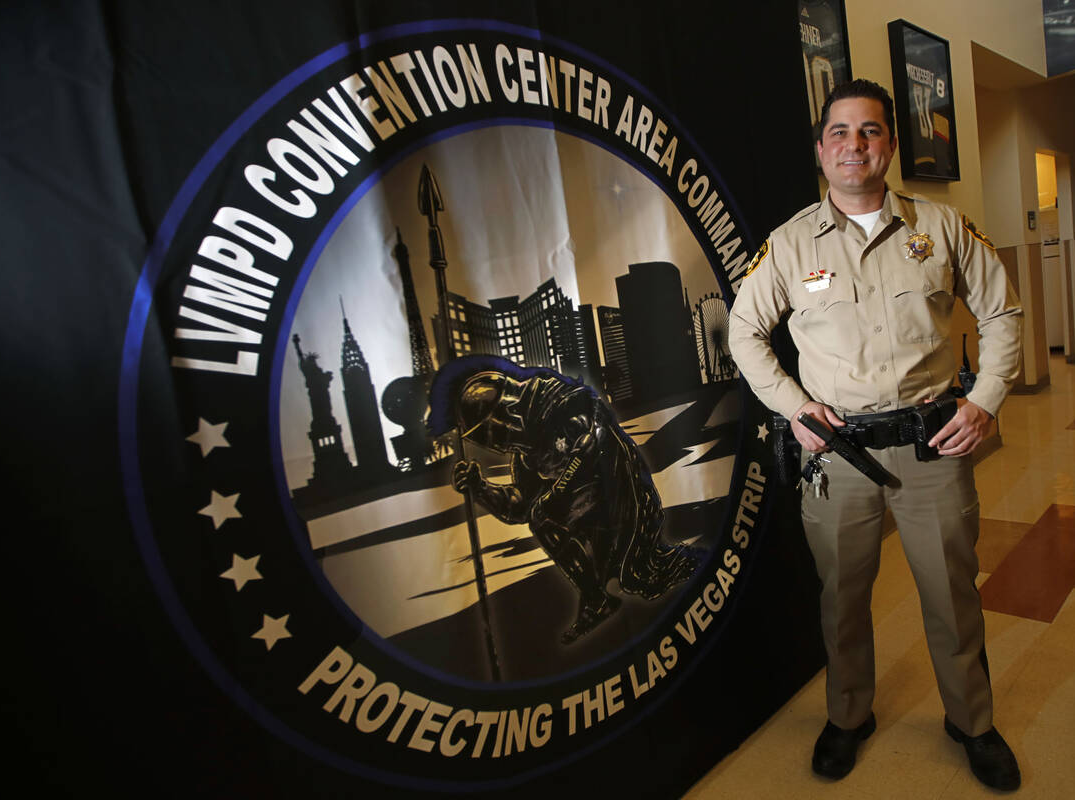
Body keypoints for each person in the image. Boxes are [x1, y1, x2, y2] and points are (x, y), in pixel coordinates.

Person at [728, 79, 1022, 791]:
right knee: (843, 598)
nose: (853, 145)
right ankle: (849, 716)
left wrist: (983, 400)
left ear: (889, 144)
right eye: (839, 132)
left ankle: (971, 722)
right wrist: (795, 407)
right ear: (821, 150)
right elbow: (743, 332)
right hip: (841, 457)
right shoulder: (792, 244)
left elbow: (1002, 313)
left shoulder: (943, 228)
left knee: (952, 596)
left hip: (933, 445)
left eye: (868, 131)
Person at [427, 355, 701, 644]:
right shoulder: (525, 458)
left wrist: (556, 495)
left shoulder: (556, 401)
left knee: (633, 569)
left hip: (621, 491)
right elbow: (519, 507)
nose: (494, 445)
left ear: (505, 412)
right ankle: (597, 601)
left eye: (489, 435)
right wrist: (479, 488)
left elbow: (593, 442)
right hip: (590, 514)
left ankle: (603, 593)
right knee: (540, 516)